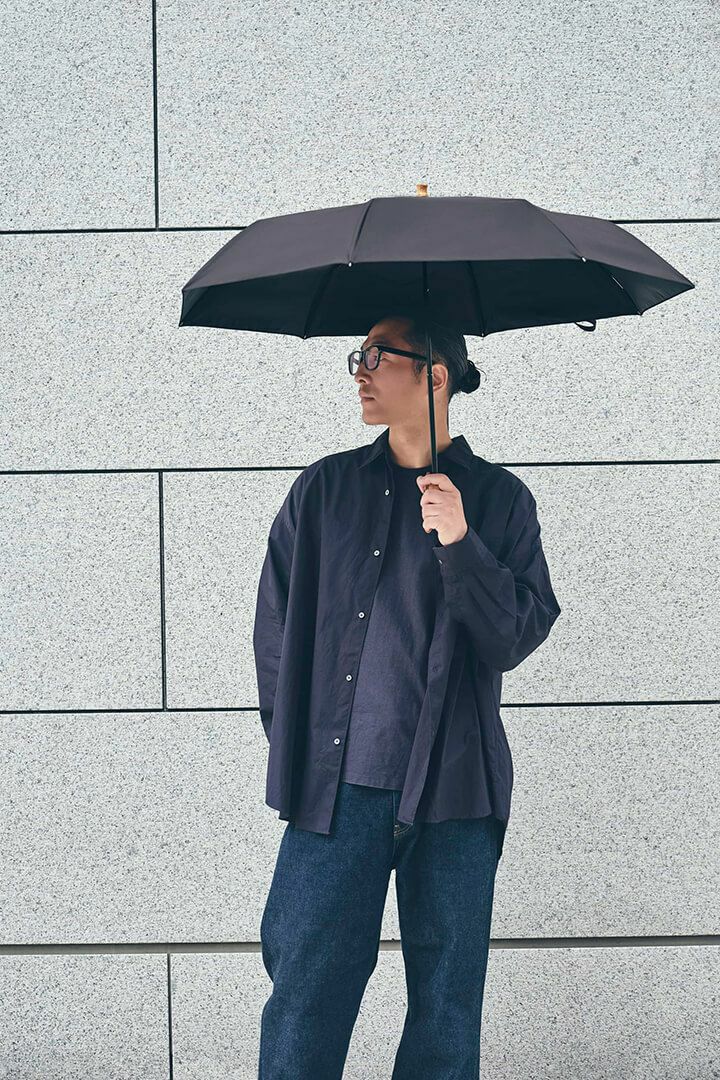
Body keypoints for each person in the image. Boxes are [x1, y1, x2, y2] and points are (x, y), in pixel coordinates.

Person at [254, 313, 562, 1079]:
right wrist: (303, 751)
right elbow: (275, 634)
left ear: (435, 375)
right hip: (339, 792)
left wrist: (461, 542)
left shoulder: (499, 501)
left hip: (457, 791)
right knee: (304, 998)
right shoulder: (324, 492)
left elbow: (514, 636)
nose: (358, 371)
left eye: (376, 356)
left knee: (446, 1016)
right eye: (356, 356)